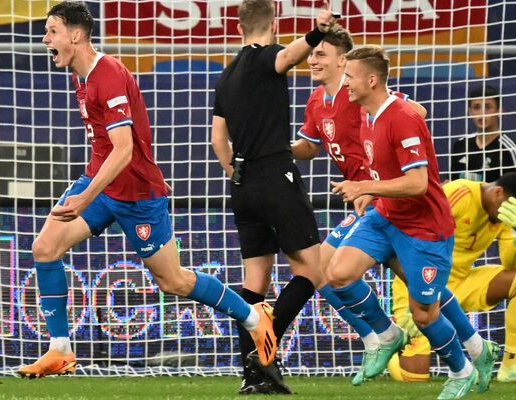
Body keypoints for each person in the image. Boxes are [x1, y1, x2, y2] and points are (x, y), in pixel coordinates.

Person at [18, 1, 276, 378]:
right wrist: (99, 186)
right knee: (45, 248)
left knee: (173, 280)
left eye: (52, 31)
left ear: (75, 35)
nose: (45, 39)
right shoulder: (82, 75)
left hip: (136, 196)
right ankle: (60, 349)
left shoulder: (107, 75)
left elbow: (123, 149)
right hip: (102, 184)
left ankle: (254, 316)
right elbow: (129, 132)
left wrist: (91, 195)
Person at [327, 45, 497, 399]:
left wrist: (365, 186)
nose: (345, 83)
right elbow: (414, 114)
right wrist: (372, 191)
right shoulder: (368, 111)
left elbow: (418, 183)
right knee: (338, 274)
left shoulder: (400, 116)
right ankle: (388, 334)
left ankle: (461, 369)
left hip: (423, 229)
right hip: (386, 216)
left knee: (424, 313)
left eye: (350, 77)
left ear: (372, 81)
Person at [289, 24, 427, 386]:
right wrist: (276, 149)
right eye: (311, 53)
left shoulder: (360, 95)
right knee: (414, 282)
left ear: (342, 61)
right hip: (366, 202)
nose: (312, 59)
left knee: (322, 267)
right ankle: (469, 347)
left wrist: (377, 176)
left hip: (384, 197)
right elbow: (310, 147)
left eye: (320, 54)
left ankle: (383, 335)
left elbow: (416, 112)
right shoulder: (316, 100)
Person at [210, 0, 335, 394]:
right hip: (275, 177)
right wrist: (318, 32)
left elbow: (218, 140)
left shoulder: (226, 75)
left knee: (254, 284)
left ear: (238, 28)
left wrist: (235, 174)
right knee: (312, 272)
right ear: (274, 25)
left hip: (243, 185)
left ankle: (252, 378)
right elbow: (289, 56)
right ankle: (265, 346)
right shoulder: (266, 57)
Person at [386, 173, 516, 383]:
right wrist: (416, 294)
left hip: (459, 284)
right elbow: (414, 235)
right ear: (498, 192)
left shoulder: (503, 217)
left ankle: (511, 367)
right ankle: (393, 344)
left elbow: (510, 264)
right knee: (414, 377)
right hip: (419, 282)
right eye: (512, 206)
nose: (512, 213)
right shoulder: (460, 194)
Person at [448, 84, 516, 183]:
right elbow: (450, 183)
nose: (482, 113)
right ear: (469, 111)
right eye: (476, 107)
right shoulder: (461, 145)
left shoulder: (510, 151)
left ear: (499, 111)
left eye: (488, 107)